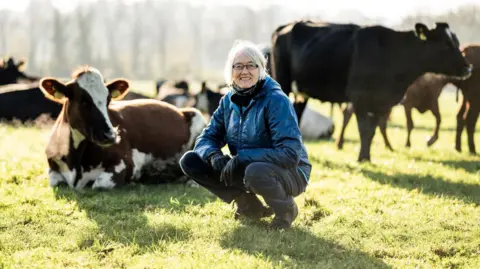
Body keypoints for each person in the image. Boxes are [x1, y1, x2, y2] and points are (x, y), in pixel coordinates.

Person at [179, 40, 311, 229]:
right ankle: (249, 205)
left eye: (251, 65)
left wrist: (242, 158)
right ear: (230, 71)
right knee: (190, 160)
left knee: (254, 170)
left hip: (291, 172)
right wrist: (213, 155)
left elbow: (290, 154)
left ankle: (286, 210)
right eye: (238, 66)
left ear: (261, 69)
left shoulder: (276, 101)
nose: (245, 71)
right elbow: (205, 139)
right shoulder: (228, 101)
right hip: (250, 167)